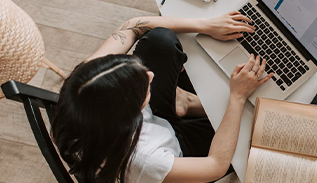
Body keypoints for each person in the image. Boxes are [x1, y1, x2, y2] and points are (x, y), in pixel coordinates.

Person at [50, 11, 274, 183]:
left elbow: (131, 27)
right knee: (252, 132)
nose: (150, 75)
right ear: (131, 113)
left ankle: (183, 102)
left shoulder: (88, 79)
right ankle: (189, 104)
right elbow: (215, 165)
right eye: (144, 86)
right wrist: (236, 97)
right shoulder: (145, 160)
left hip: (148, 124)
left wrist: (206, 25)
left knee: (159, 40)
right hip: (178, 151)